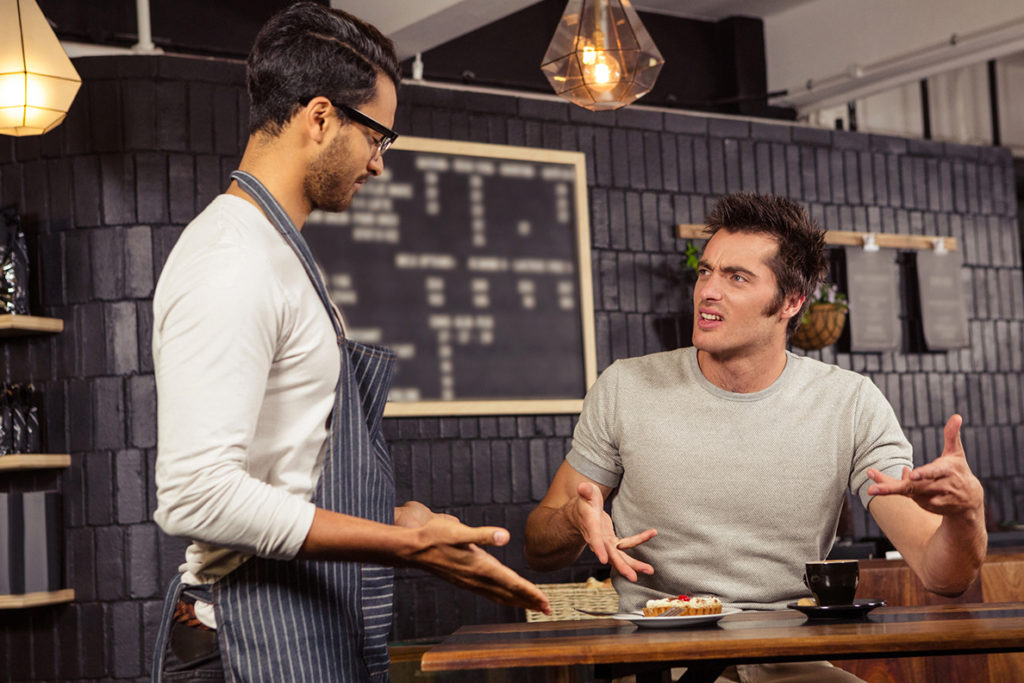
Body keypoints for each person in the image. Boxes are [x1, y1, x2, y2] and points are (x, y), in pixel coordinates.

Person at [150, 4, 549, 681]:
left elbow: (284, 473)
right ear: (321, 118)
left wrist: (398, 518)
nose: (379, 164)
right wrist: (406, 544)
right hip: (247, 632)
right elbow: (196, 494)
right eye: (378, 138)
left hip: (302, 618)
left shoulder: (280, 253)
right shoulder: (232, 259)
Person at [524, 192, 986, 682]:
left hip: (787, 660)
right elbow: (538, 545)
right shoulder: (625, 386)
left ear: (791, 301)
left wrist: (965, 514)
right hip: (660, 659)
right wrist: (576, 519)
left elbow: (943, 576)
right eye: (706, 272)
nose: (707, 291)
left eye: (736, 277)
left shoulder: (850, 404)